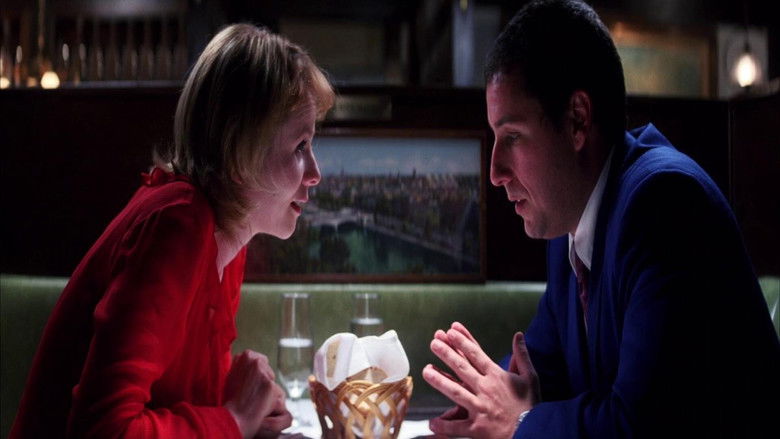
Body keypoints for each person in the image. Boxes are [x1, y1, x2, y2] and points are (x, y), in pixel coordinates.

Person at [423, 1, 780, 438]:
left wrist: (517, 422)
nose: (495, 172)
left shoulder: (665, 204)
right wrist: (476, 403)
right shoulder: (570, 222)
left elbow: (636, 425)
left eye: (512, 136)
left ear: (577, 120)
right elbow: (539, 370)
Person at [11, 24, 334, 439]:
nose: (315, 173)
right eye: (300, 146)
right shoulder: (179, 223)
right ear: (242, 153)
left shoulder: (225, 237)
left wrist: (237, 404)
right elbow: (104, 429)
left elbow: (168, 402)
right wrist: (235, 419)